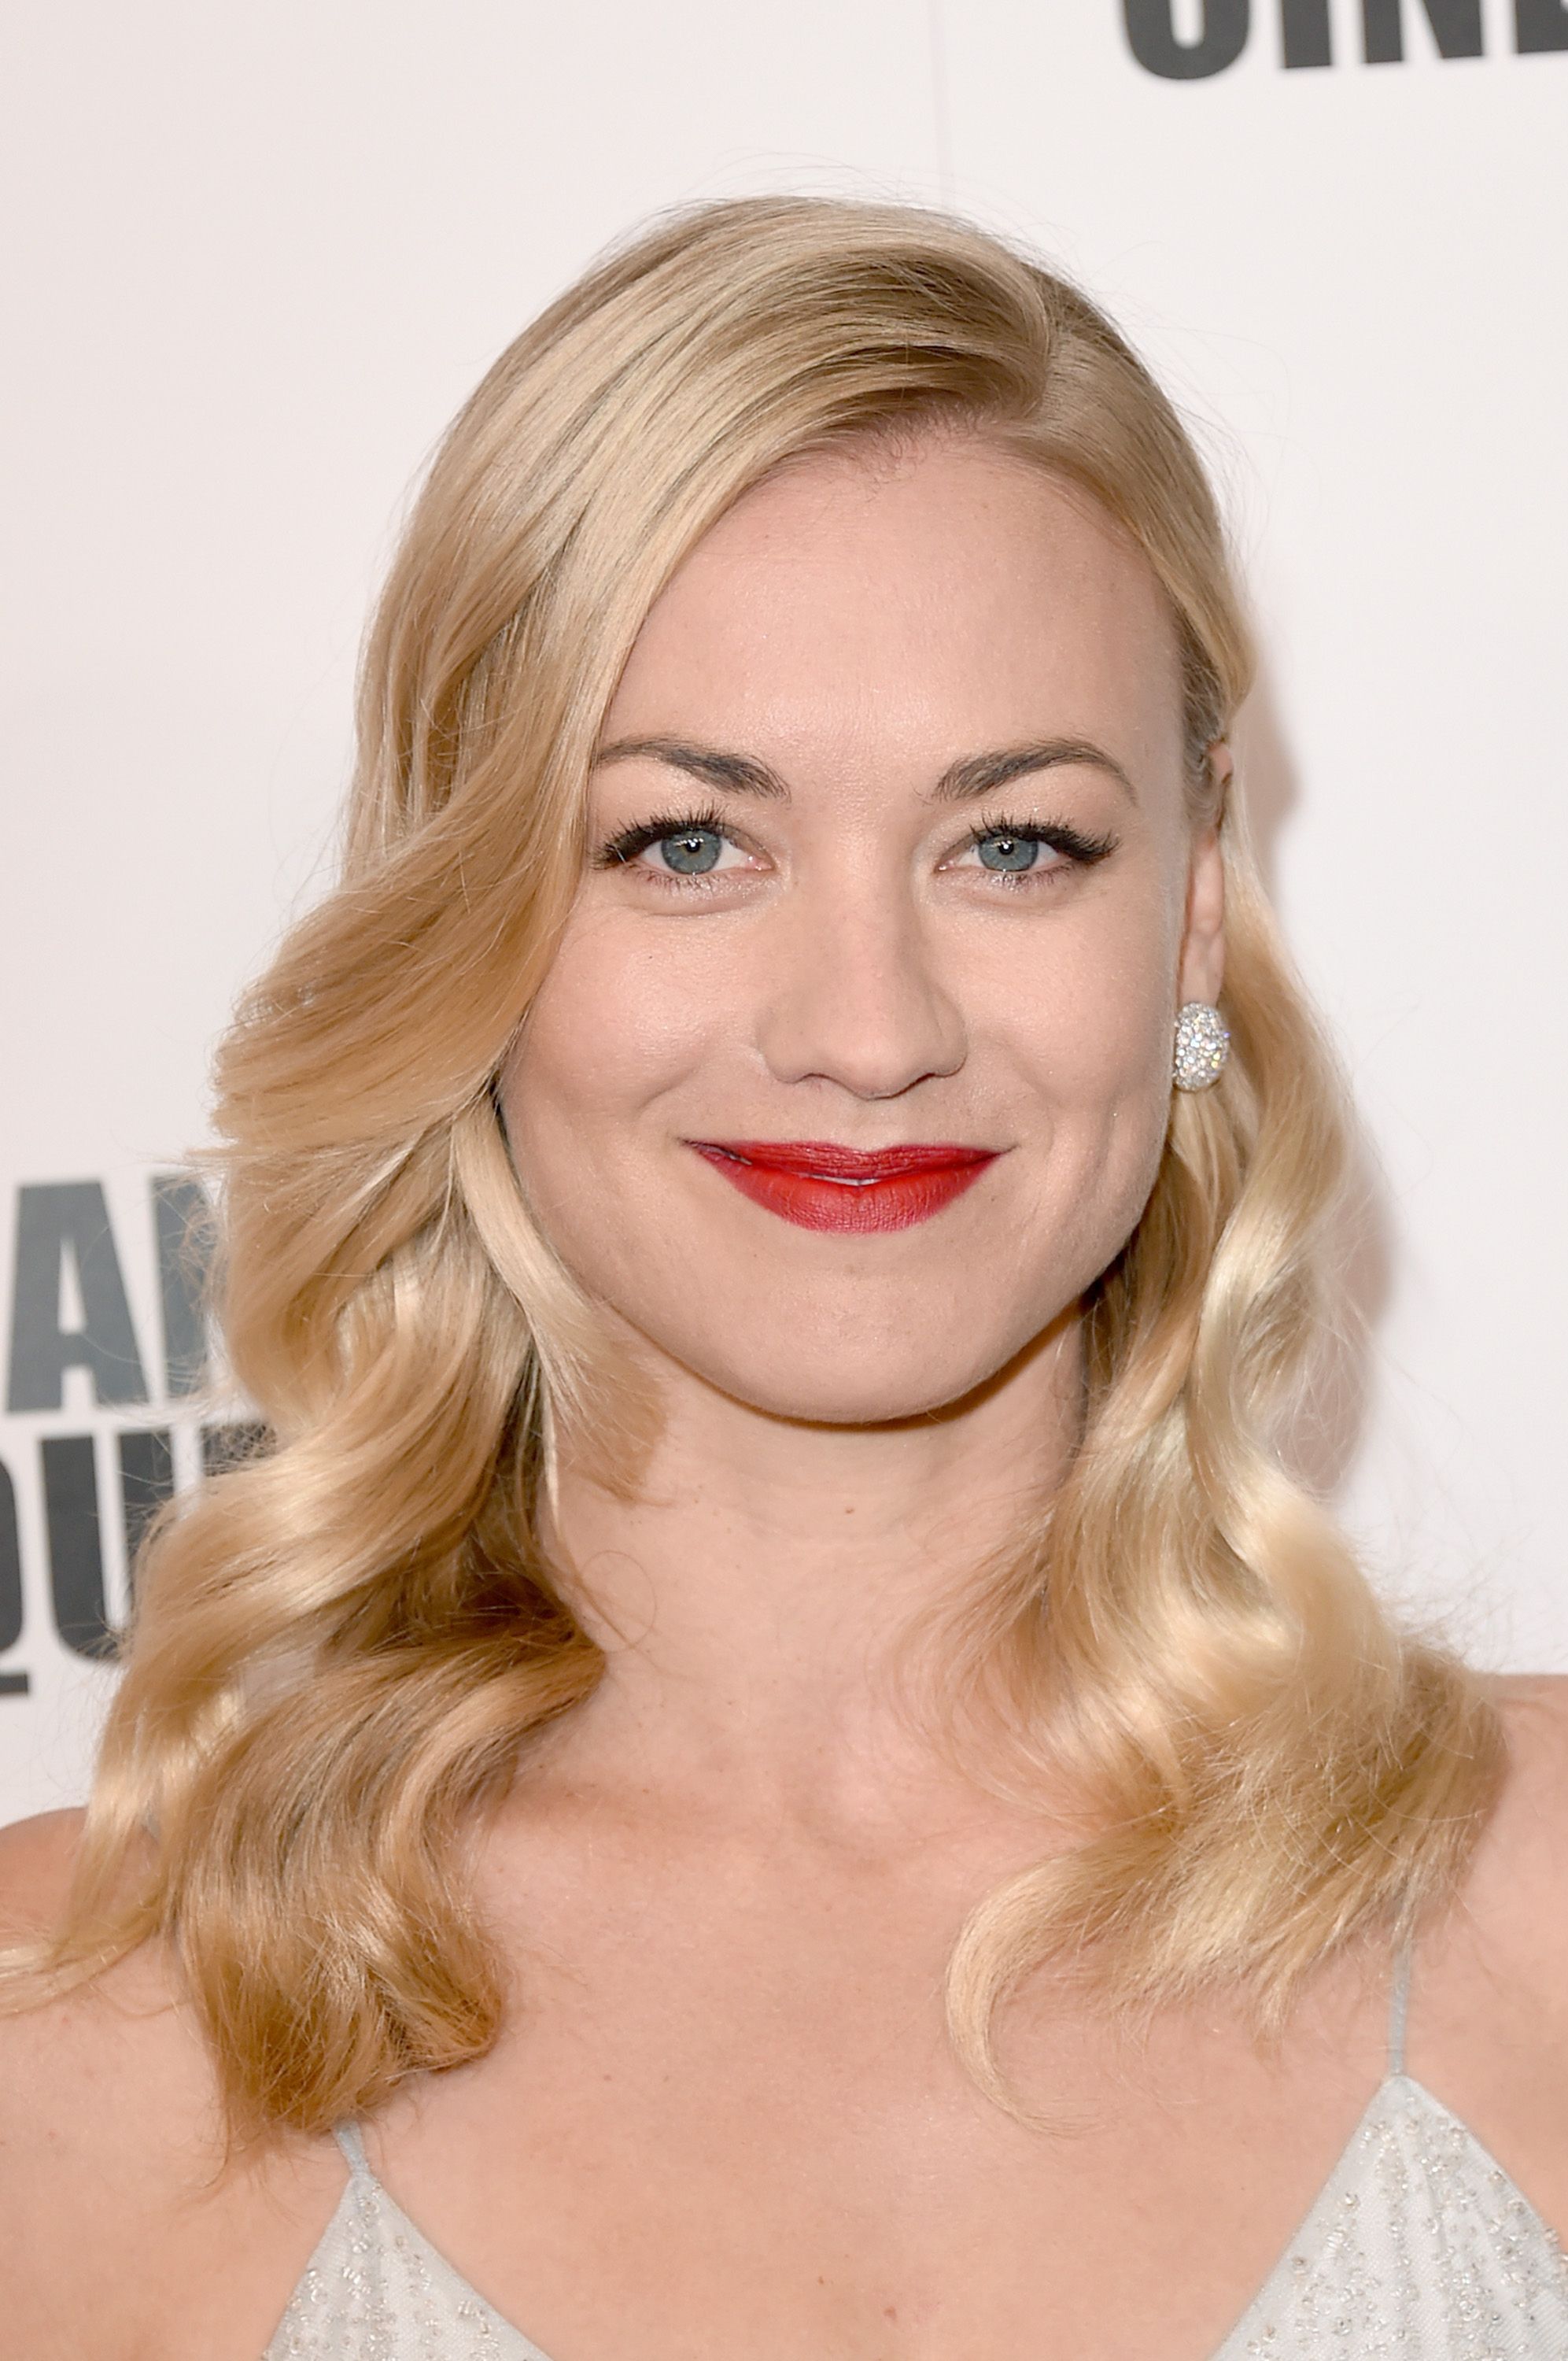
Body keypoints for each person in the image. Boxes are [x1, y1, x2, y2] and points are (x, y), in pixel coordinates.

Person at [2, 195, 1566, 2361]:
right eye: (687, 842)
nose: (866, 1026)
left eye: (1012, 843)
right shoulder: (72, 2037)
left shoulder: (1536, 1905)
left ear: (1194, 902)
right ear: (473, 912)